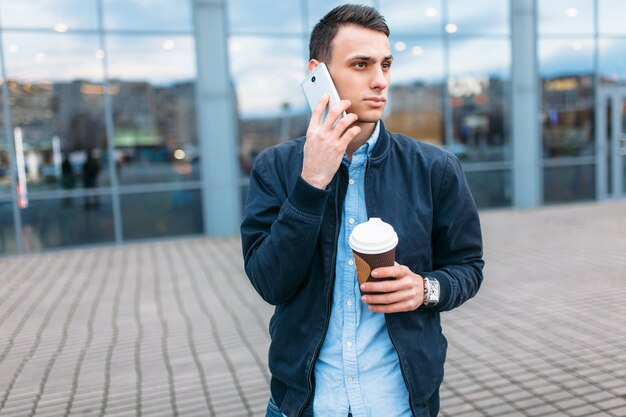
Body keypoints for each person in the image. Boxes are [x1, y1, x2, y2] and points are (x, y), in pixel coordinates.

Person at [240, 4, 484, 417]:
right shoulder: (277, 168)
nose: (380, 81)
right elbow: (269, 283)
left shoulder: (434, 168)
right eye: (361, 64)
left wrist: (425, 290)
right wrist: (311, 183)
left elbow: (468, 267)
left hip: (401, 403)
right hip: (304, 404)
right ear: (318, 73)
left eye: (386, 64)